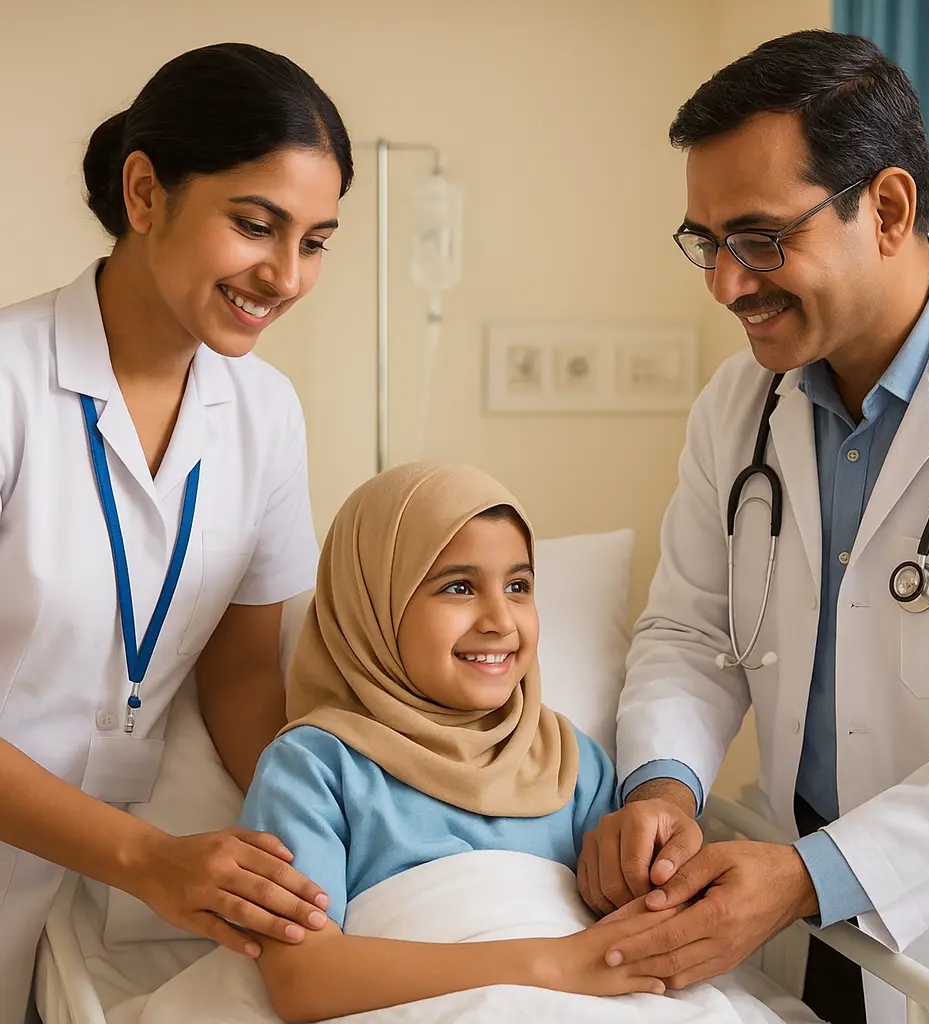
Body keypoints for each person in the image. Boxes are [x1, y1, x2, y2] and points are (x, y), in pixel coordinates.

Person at [575, 28, 929, 1024]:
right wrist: (660, 788)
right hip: (800, 921)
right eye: (707, 242)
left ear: (889, 208)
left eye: (761, 239)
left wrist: (811, 873)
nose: (725, 283)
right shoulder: (741, 406)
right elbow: (692, 632)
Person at [0, 42, 353, 1024]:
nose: (284, 274)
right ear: (146, 193)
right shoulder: (10, 385)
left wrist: (317, 829)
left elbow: (240, 674)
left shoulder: (265, 412)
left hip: (107, 894)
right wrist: (148, 861)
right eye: (255, 224)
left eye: (315, 240)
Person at [238, 463, 673, 1021]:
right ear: (373, 603)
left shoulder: (572, 761)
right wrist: (549, 965)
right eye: (459, 587)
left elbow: (639, 932)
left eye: (519, 586)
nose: (499, 620)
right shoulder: (314, 768)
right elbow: (302, 979)